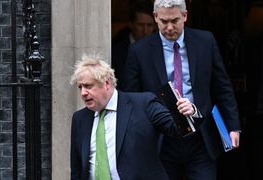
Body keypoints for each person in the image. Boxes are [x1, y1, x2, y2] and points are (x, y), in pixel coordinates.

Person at [122, 0, 241, 180]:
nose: (169, 27)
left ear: (185, 16)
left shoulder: (205, 41)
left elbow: (222, 87)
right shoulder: (139, 51)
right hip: (161, 140)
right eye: (163, 21)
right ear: (155, 17)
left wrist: (233, 127)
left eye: (175, 20)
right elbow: (132, 98)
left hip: (201, 137)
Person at [70, 53, 192, 180]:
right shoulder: (80, 119)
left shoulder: (144, 104)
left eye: (88, 86)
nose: (83, 93)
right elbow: (76, 169)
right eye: (80, 87)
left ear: (106, 83)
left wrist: (189, 111)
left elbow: (176, 129)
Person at [112, 0, 156, 89]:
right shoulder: (116, 51)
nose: (145, 31)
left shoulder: (160, 48)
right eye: (140, 25)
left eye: (150, 25)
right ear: (131, 24)